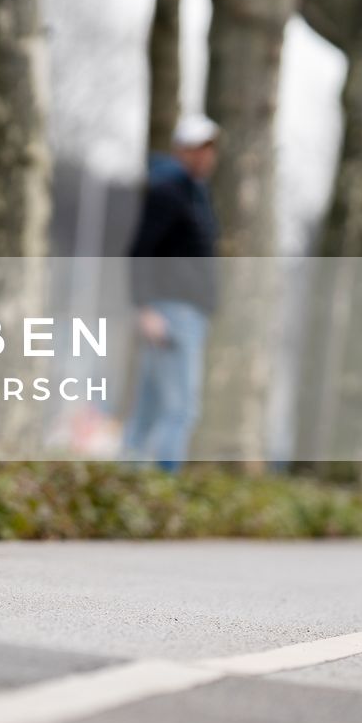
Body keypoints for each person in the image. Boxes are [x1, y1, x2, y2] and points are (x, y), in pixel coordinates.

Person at [121, 113, 221, 470]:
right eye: (199, 148)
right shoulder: (168, 193)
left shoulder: (198, 195)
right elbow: (140, 251)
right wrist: (145, 308)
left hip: (188, 311)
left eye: (210, 148)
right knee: (181, 409)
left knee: (149, 406)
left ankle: (126, 476)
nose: (206, 156)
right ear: (182, 150)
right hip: (171, 312)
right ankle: (166, 486)